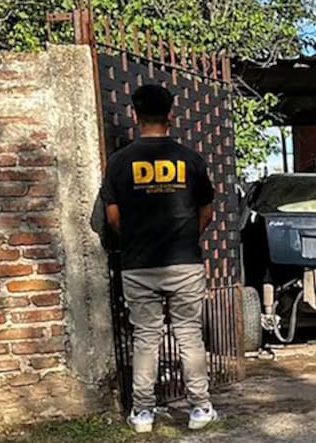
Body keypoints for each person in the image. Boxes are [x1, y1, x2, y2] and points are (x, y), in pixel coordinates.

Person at [100, 84, 219, 433]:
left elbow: (112, 218)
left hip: (138, 264)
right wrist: (186, 239)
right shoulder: (190, 160)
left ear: (134, 116)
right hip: (183, 262)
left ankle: (142, 413)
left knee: (146, 338)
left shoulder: (119, 162)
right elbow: (207, 211)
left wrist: (136, 239)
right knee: (189, 335)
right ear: (171, 115)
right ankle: (200, 408)